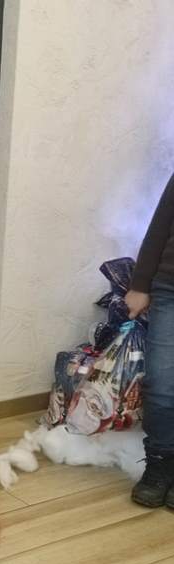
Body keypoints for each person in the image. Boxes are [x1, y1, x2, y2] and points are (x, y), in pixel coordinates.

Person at [126, 172, 174, 508]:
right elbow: (160, 226)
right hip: (171, 287)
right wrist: (140, 284)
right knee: (162, 384)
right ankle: (160, 462)